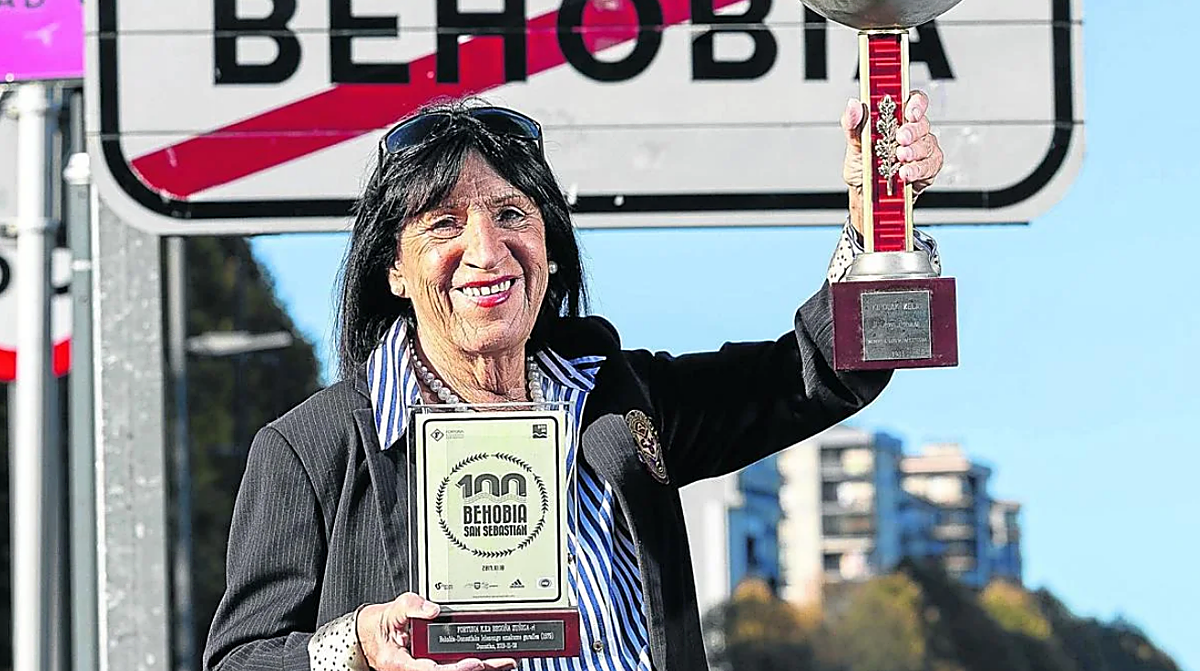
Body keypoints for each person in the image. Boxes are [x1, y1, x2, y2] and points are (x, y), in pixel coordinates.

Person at [203, 93, 944, 671]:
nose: (486, 251)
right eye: (443, 224)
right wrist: (359, 645)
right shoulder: (312, 450)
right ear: (393, 269)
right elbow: (239, 659)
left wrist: (882, 222)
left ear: (550, 249)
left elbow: (821, 374)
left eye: (510, 214)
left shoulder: (618, 401)